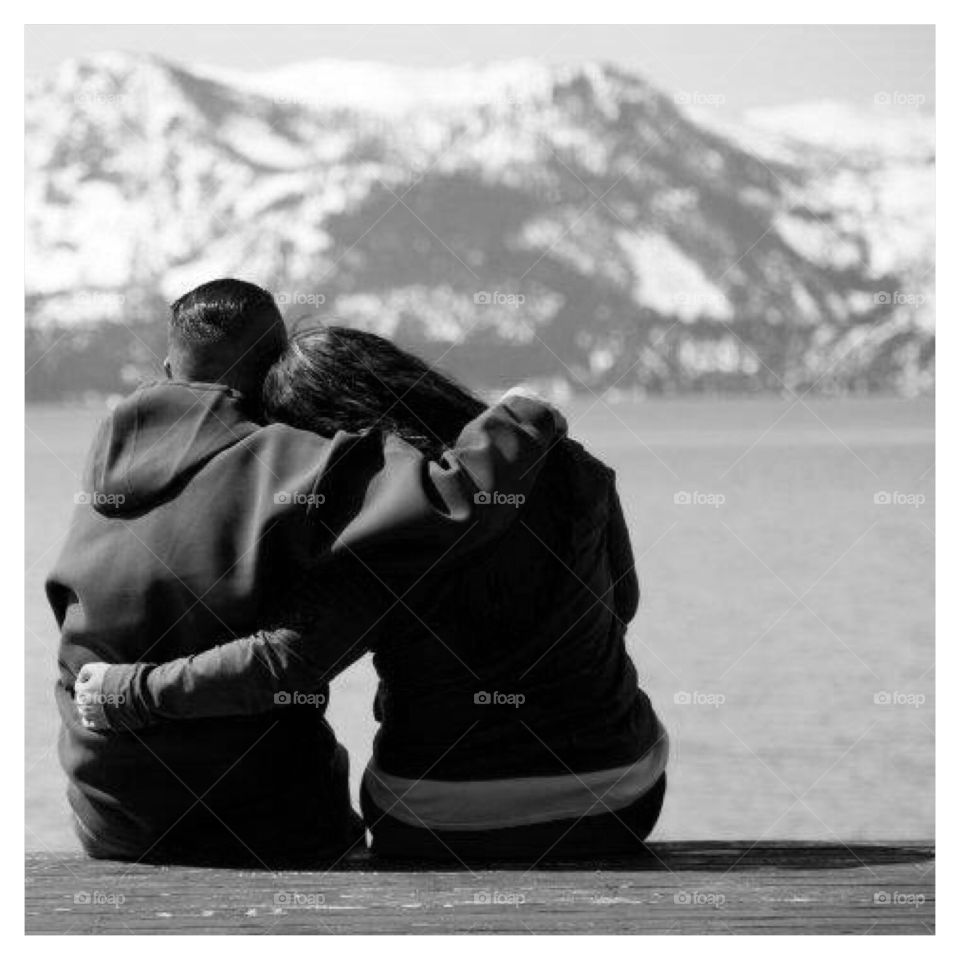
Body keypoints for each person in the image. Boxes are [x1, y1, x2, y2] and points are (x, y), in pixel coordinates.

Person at [77, 325, 667, 863]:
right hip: (619, 799)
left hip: (436, 820)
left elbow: (283, 664)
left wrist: (133, 691)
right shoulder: (571, 467)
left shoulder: (374, 530)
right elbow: (622, 605)